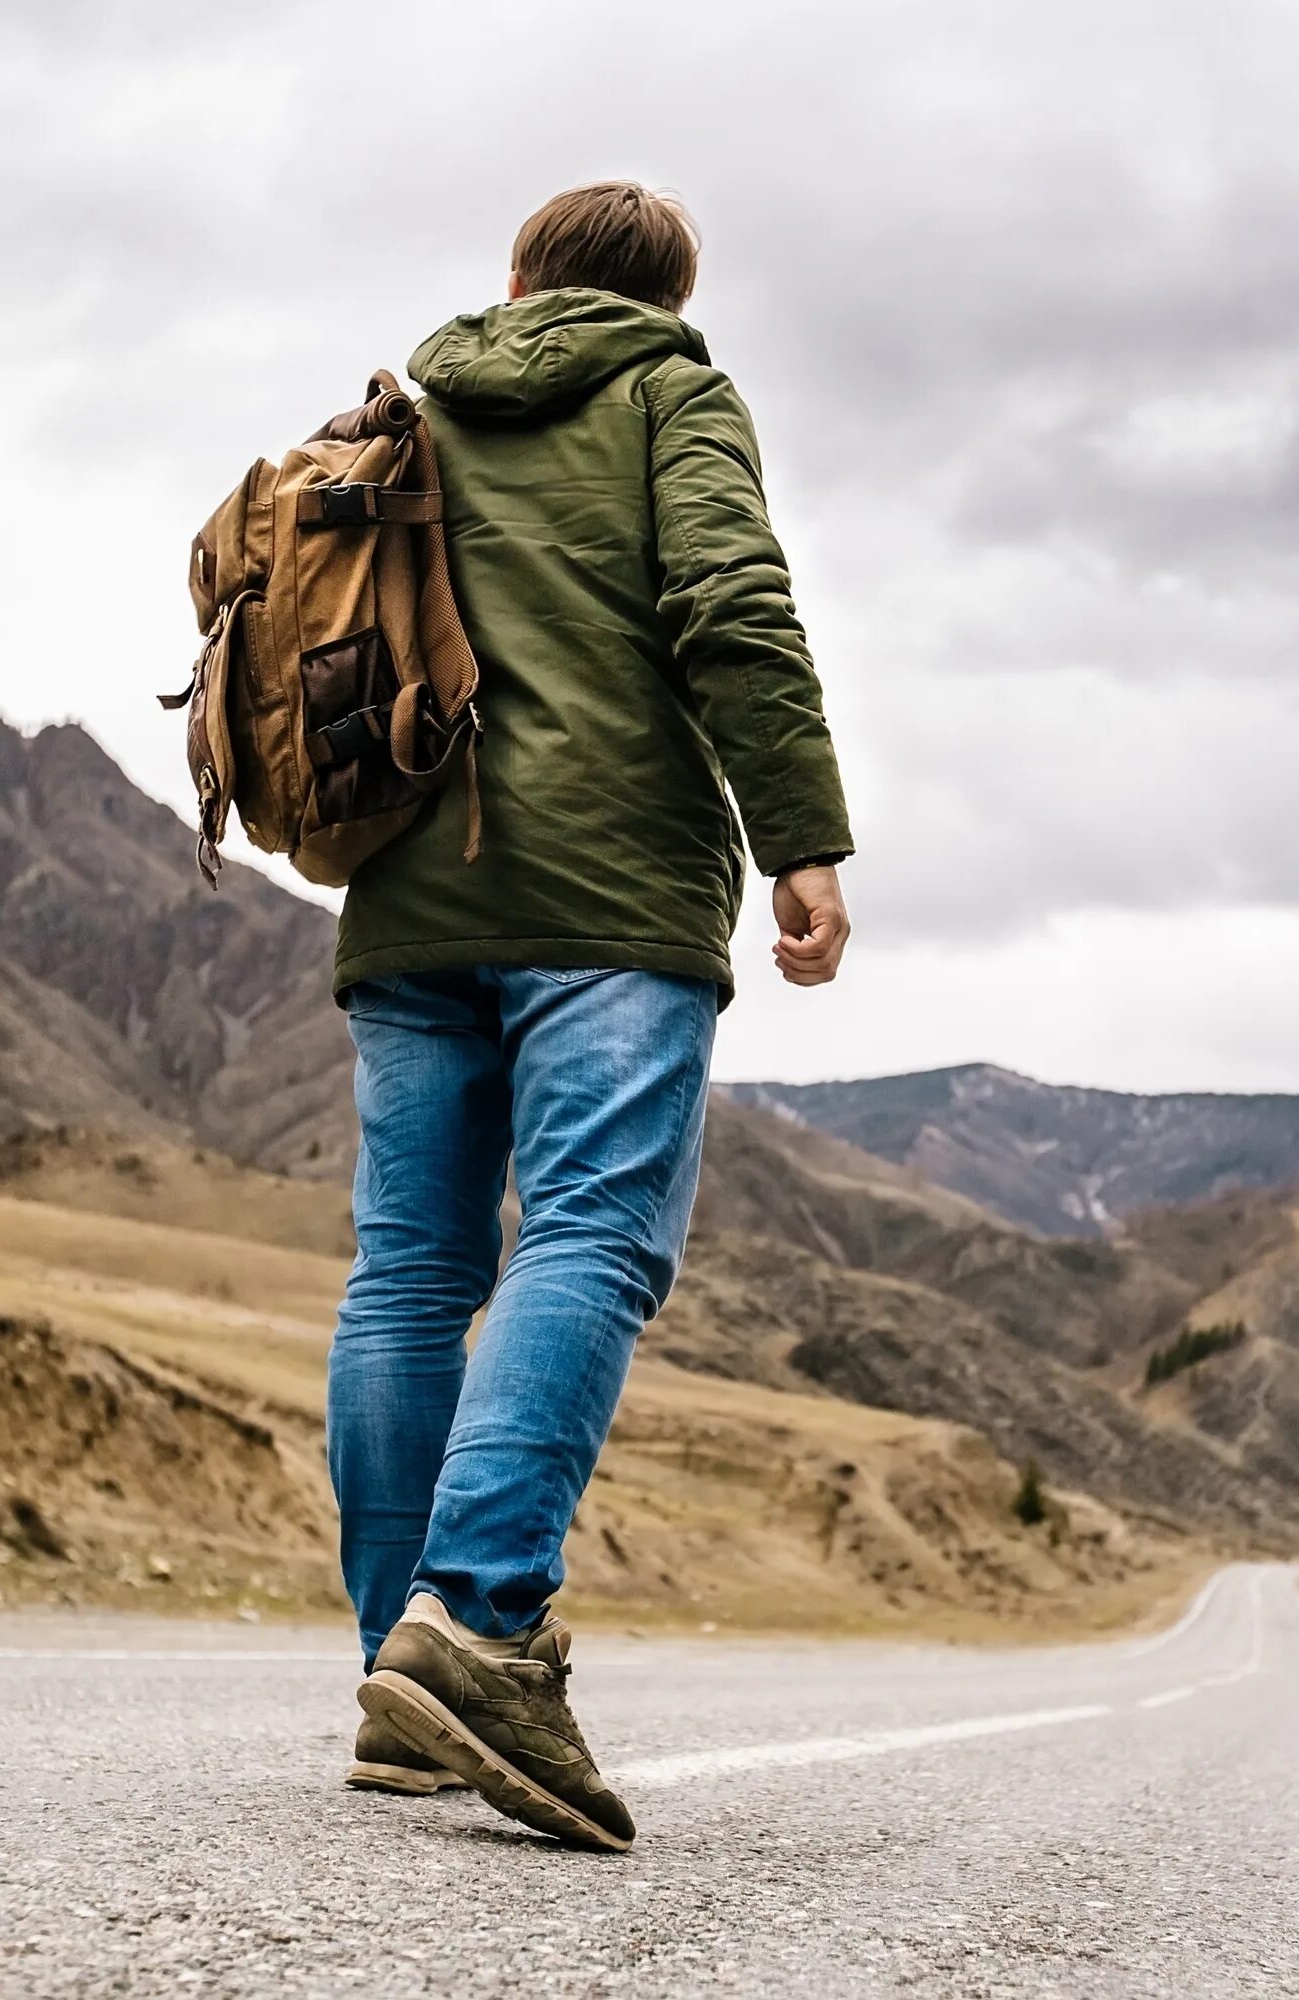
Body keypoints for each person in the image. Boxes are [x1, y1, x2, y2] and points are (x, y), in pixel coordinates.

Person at [331, 181, 853, 1853]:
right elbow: (730, 605)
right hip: (609, 894)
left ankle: (395, 1665)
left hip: (411, 894)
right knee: (592, 1240)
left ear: (517, 282)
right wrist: (804, 840)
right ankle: (475, 1625)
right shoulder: (671, 393)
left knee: (411, 1269)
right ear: (668, 299)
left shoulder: (414, 412)